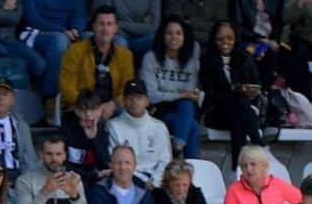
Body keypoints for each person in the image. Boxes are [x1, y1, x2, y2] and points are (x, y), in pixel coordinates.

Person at [17, 0, 89, 109]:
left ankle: (91, 99)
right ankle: (51, 98)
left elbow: (80, 12)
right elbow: (31, 17)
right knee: (59, 41)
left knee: (92, 38)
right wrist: (63, 31)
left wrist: (76, 29)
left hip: (68, 30)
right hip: (35, 31)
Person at [199, 20, 264, 166]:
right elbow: (212, 95)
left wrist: (252, 92)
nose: (225, 42)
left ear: (236, 39)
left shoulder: (244, 58)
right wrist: (236, 91)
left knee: (238, 119)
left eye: (229, 38)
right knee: (238, 103)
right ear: (213, 40)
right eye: (220, 39)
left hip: (240, 112)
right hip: (216, 113)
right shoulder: (206, 60)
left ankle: (237, 169)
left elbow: (257, 84)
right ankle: (261, 148)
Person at [140, 15, 201, 160]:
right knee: (192, 126)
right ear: (162, 36)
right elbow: (150, 95)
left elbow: (191, 94)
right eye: (169, 33)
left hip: (182, 110)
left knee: (187, 107)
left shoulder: (191, 62)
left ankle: (177, 147)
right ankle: (191, 168)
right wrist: (179, 95)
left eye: (178, 33)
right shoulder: (151, 58)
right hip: (159, 110)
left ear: (185, 37)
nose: (174, 37)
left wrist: (180, 95)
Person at [59, 6, 135, 122]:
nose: (105, 29)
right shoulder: (74, 52)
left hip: (111, 109)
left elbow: (127, 89)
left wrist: (114, 104)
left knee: (127, 112)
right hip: (83, 107)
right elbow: (67, 90)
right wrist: (93, 107)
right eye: (101, 24)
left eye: (109, 24)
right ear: (93, 26)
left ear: (116, 28)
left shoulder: (125, 55)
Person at [108, 78, 171, 188]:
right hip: (127, 181)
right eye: (130, 98)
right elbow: (114, 160)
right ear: (123, 101)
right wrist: (142, 181)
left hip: (156, 183)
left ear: (147, 101)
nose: (134, 102)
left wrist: (154, 181)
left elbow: (165, 161)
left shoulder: (159, 127)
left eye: (139, 98)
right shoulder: (113, 126)